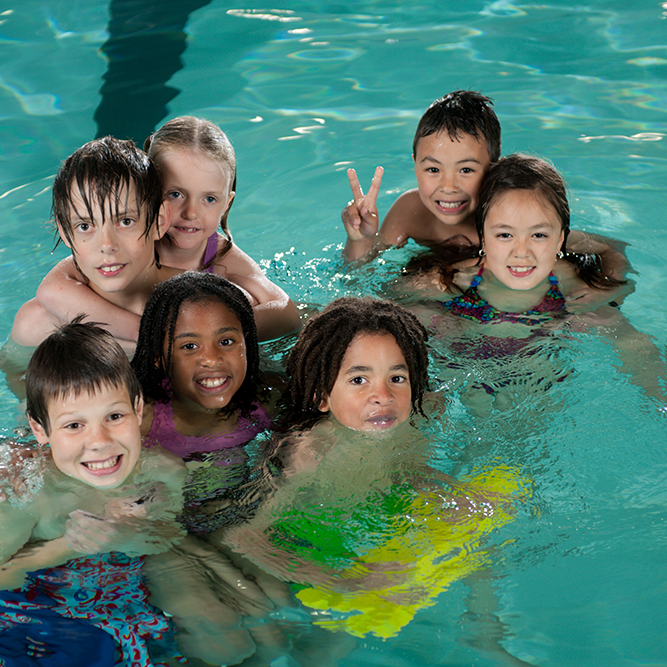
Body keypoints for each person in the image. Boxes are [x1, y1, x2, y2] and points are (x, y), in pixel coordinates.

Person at [208, 298, 527, 647]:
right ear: (322, 397)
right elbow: (240, 536)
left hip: (369, 510)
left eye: (397, 378)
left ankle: (483, 629)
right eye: (359, 379)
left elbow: (404, 471)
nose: (383, 396)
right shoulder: (309, 456)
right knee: (329, 645)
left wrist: (449, 491)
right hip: (303, 538)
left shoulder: (418, 418)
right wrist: (345, 580)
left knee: (481, 538)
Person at [405, 153, 665, 405]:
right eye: (505, 235)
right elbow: (398, 297)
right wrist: (443, 288)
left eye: (538, 235)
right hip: (462, 361)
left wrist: (599, 300)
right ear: (483, 237)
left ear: (560, 240)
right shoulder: (460, 276)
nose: (521, 252)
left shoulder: (561, 275)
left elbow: (627, 336)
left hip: (536, 363)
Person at [0, 319, 188, 666]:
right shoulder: (28, 495)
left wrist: (127, 532)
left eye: (114, 416)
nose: (100, 442)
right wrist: (69, 546)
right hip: (34, 602)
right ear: (40, 430)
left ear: (138, 409)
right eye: (74, 425)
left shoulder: (166, 473)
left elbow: (170, 534)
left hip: (121, 586)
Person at [131, 271, 296, 665]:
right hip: (157, 539)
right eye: (189, 346)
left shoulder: (264, 400)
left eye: (226, 341)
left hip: (227, 520)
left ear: (247, 345)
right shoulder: (139, 417)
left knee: (278, 614)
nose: (211, 359)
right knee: (224, 639)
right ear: (159, 356)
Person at [341, 90, 631, 281]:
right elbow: (360, 272)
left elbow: (612, 247)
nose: (449, 186)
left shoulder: (512, 217)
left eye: (466, 169)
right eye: (432, 169)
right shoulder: (410, 210)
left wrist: (609, 294)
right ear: (414, 165)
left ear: (494, 169)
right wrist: (359, 239)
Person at [8, 136, 176, 359]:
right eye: (85, 226)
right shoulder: (37, 328)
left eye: (125, 221)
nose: (107, 246)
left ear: (159, 221)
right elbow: (18, 387)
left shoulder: (199, 305)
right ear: (65, 232)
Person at [144, 116, 301, 340]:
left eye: (209, 199)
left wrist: (211, 330)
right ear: (148, 190)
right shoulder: (133, 241)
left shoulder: (220, 256)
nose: (191, 213)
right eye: (175, 194)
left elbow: (286, 314)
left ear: (226, 204)